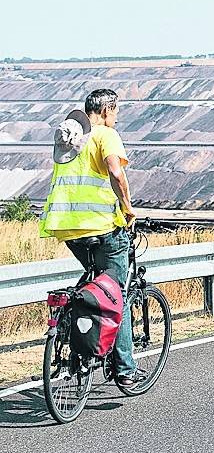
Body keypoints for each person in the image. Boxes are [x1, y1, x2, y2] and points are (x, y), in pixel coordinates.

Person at [38, 90, 144, 387]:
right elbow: (115, 172)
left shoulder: (70, 137)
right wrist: (127, 207)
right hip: (101, 226)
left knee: (91, 285)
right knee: (116, 295)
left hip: (66, 227)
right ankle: (125, 369)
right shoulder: (105, 135)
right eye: (116, 112)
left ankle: (72, 346)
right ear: (108, 110)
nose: (117, 118)